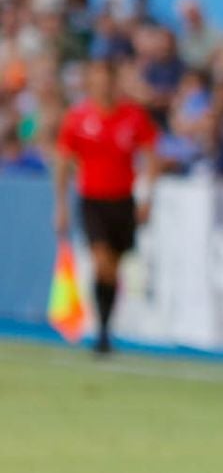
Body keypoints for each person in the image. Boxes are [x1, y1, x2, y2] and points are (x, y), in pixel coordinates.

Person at [52, 57, 158, 355]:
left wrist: (147, 197)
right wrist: (60, 204)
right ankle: (101, 334)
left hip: (123, 201)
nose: (103, 86)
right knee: (101, 261)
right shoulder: (78, 118)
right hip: (93, 200)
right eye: (97, 80)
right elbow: (63, 160)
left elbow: (151, 156)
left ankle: (106, 329)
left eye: (108, 80)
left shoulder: (133, 117)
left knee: (114, 268)